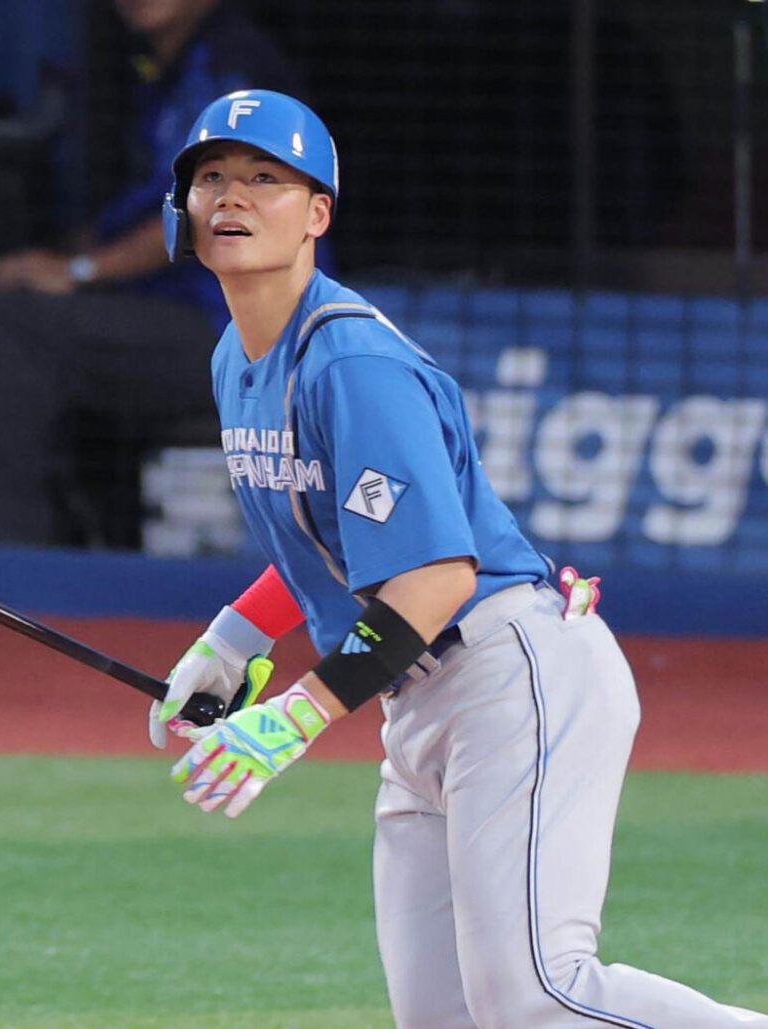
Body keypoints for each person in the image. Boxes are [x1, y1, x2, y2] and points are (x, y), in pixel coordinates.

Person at [149, 89, 768, 1028]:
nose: (231, 196)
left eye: (265, 178)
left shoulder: (349, 363)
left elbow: (438, 576)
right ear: (182, 213)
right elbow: (330, 542)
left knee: (537, 995)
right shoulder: (237, 355)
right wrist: (233, 641)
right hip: (421, 697)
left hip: (511, 676)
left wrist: (291, 720)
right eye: (212, 178)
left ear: (318, 214)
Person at [0, 0, 308, 547]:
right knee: (17, 312)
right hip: (189, 322)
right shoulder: (162, 74)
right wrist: (54, 261)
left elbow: (214, 209)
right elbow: (148, 209)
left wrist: (79, 271)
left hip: (248, 341)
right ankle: (80, 556)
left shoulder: (235, 66)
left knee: (12, 327)